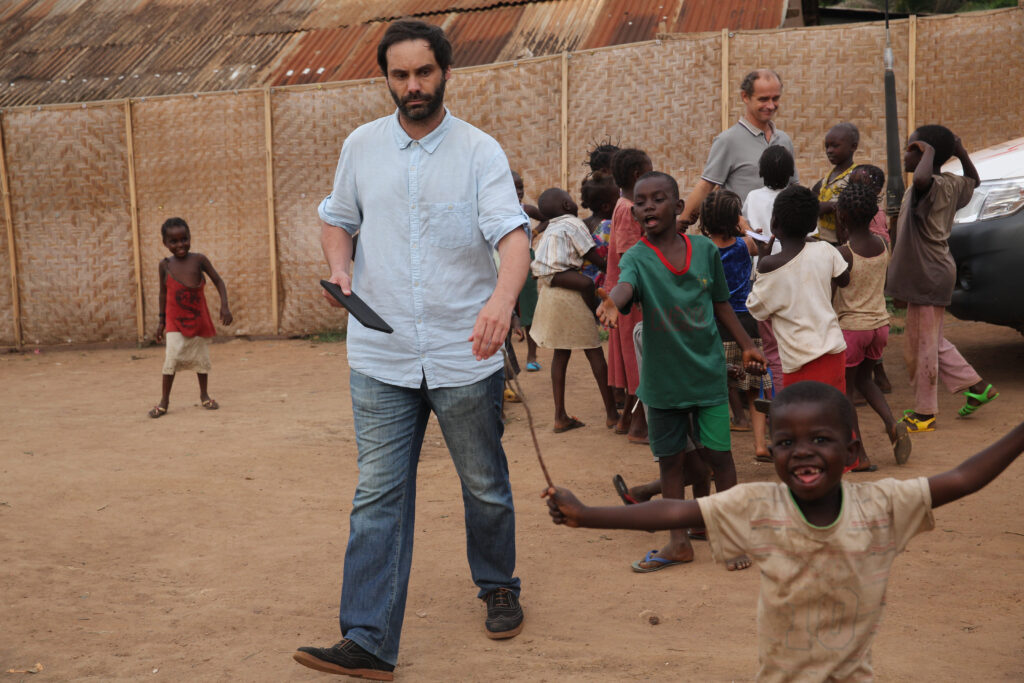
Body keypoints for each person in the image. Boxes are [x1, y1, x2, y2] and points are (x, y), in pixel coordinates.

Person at [294, 20, 531, 680]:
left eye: (423, 72)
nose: (412, 86)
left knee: (483, 483)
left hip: (464, 351)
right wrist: (340, 269)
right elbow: (337, 219)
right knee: (377, 494)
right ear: (387, 79)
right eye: (399, 75)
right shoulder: (361, 147)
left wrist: (500, 303)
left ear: (445, 73)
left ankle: (497, 582)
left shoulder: (479, 152)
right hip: (380, 353)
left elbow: (513, 239)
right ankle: (368, 636)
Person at [546, 380, 1024, 682]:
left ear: (851, 446)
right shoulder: (759, 506)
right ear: (769, 449)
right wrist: (588, 514)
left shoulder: (882, 505)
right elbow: (674, 513)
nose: (802, 452)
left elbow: (963, 479)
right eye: (785, 442)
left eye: (821, 439)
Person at [596, 171, 766, 573]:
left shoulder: (704, 250)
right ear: (633, 210)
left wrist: (746, 344)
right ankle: (678, 543)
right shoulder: (637, 256)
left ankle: (730, 536)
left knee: (720, 460)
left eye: (658, 199)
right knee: (670, 463)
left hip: (707, 375)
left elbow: (722, 303)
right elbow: (625, 286)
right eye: (641, 201)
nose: (648, 206)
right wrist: (611, 303)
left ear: (678, 207)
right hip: (663, 380)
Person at [885, 125, 997, 433]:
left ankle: (924, 414)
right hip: (933, 271)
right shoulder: (952, 184)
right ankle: (977, 387)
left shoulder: (931, 185)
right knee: (929, 341)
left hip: (927, 273)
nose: (905, 155)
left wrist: (932, 150)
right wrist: (959, 152)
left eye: (911, 149)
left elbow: (922, 178)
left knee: (922, 345)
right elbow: (974, 180)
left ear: (923, 153)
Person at [529, 187, 620, 432]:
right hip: (563, 281)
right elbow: (592, 255)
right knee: (594, 351)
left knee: (561, 353)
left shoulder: (551, 228)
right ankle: (612, 413)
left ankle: (560, 416)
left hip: (548, 285)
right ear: (567, 206)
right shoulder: (573, 223)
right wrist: (612, 267)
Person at [833, 182, 911, 469]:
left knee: (847, 392)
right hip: (879, 327)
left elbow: (835, 289)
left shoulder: (843, 253)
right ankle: (892, 423)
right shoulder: (882, 245)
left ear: (841, 215)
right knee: (866, 381)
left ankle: (859, 455)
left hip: (853, 329)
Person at [746, 185, 851, 393]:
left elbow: (756, 308)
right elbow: (844, 278)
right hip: (834, 353)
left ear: (774, 223)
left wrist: (761, 264)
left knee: (805, 421)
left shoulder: (770, 266)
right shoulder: (825, 250)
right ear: (813, 224)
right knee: (834, 415)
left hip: (799, 362)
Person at [700, 190, 772, 462]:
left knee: (719, 385)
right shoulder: (744, 245)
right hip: (747, 323)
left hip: (716, 324)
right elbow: (762, 241)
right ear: (734, 218)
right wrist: (745, 226)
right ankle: (760, 445)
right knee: (754, 387)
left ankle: (716, 449)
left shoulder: (703, 249)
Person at [682, 69, 797, 227]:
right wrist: (682, 222)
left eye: (775, 98)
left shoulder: (784, 140)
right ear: (745, 97)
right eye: (763, 99)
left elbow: (793, 185)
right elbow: (706, 185)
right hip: (743, 238)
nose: (770, 105)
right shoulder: (728, 141)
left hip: (783, 236)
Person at [148, 217, 232, 418]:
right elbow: (162, 293)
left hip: (197, 318)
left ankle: (204, 395)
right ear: (165, 244)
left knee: (201, 358)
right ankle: (164, 402)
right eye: (174, 242)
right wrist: (161, 322)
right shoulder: (165, 265)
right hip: (174, 320)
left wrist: (225, 306)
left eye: (184, 239)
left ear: (190, 238)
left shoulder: (199, 260)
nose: (180, 245)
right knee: (172, 358)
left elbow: (219, 281)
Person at [606, 148, 652, 443]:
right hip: (631, 296)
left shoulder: (625, 204)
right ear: (638, 175)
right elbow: (629, 255)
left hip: (628, 294)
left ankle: (626, 421)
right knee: (638, 359)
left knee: (633, 357)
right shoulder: (627, 209)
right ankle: (639, 426)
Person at [742, 145, 795, 397]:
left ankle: (776, 396)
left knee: (770, 341)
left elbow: (748, 231)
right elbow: (810, 236)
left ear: (761, 172)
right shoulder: (797, 197)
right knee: (792, 336)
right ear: (790, 173)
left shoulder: (752, 197)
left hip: (762, 273)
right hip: (794, 276)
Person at [513, 170, 543, 372]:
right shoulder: (494, 210)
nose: (518, 192)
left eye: (520, 187)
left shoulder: (526, 209)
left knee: (529, 306)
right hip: (500, 262)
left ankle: (532, 355)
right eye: (513, 187)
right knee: (506, 309)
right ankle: (507, 361)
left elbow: (547, 217)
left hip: (526, 259)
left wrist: (536, 231)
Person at [811, 122, 860, 243]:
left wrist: (829, 206)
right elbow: (811, 203)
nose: (829, 151)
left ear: (853, 146)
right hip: (820, 240)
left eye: (835, 146)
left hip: (840, 242)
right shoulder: (825, 180)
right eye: (827, 146)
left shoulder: (855, 177)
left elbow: (856, 207)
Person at [579, 172, 619, 289]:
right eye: (619, 200)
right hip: (604, 284)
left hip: (584, 284)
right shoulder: (608, 226)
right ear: (606, 206)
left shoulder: (581, 224)